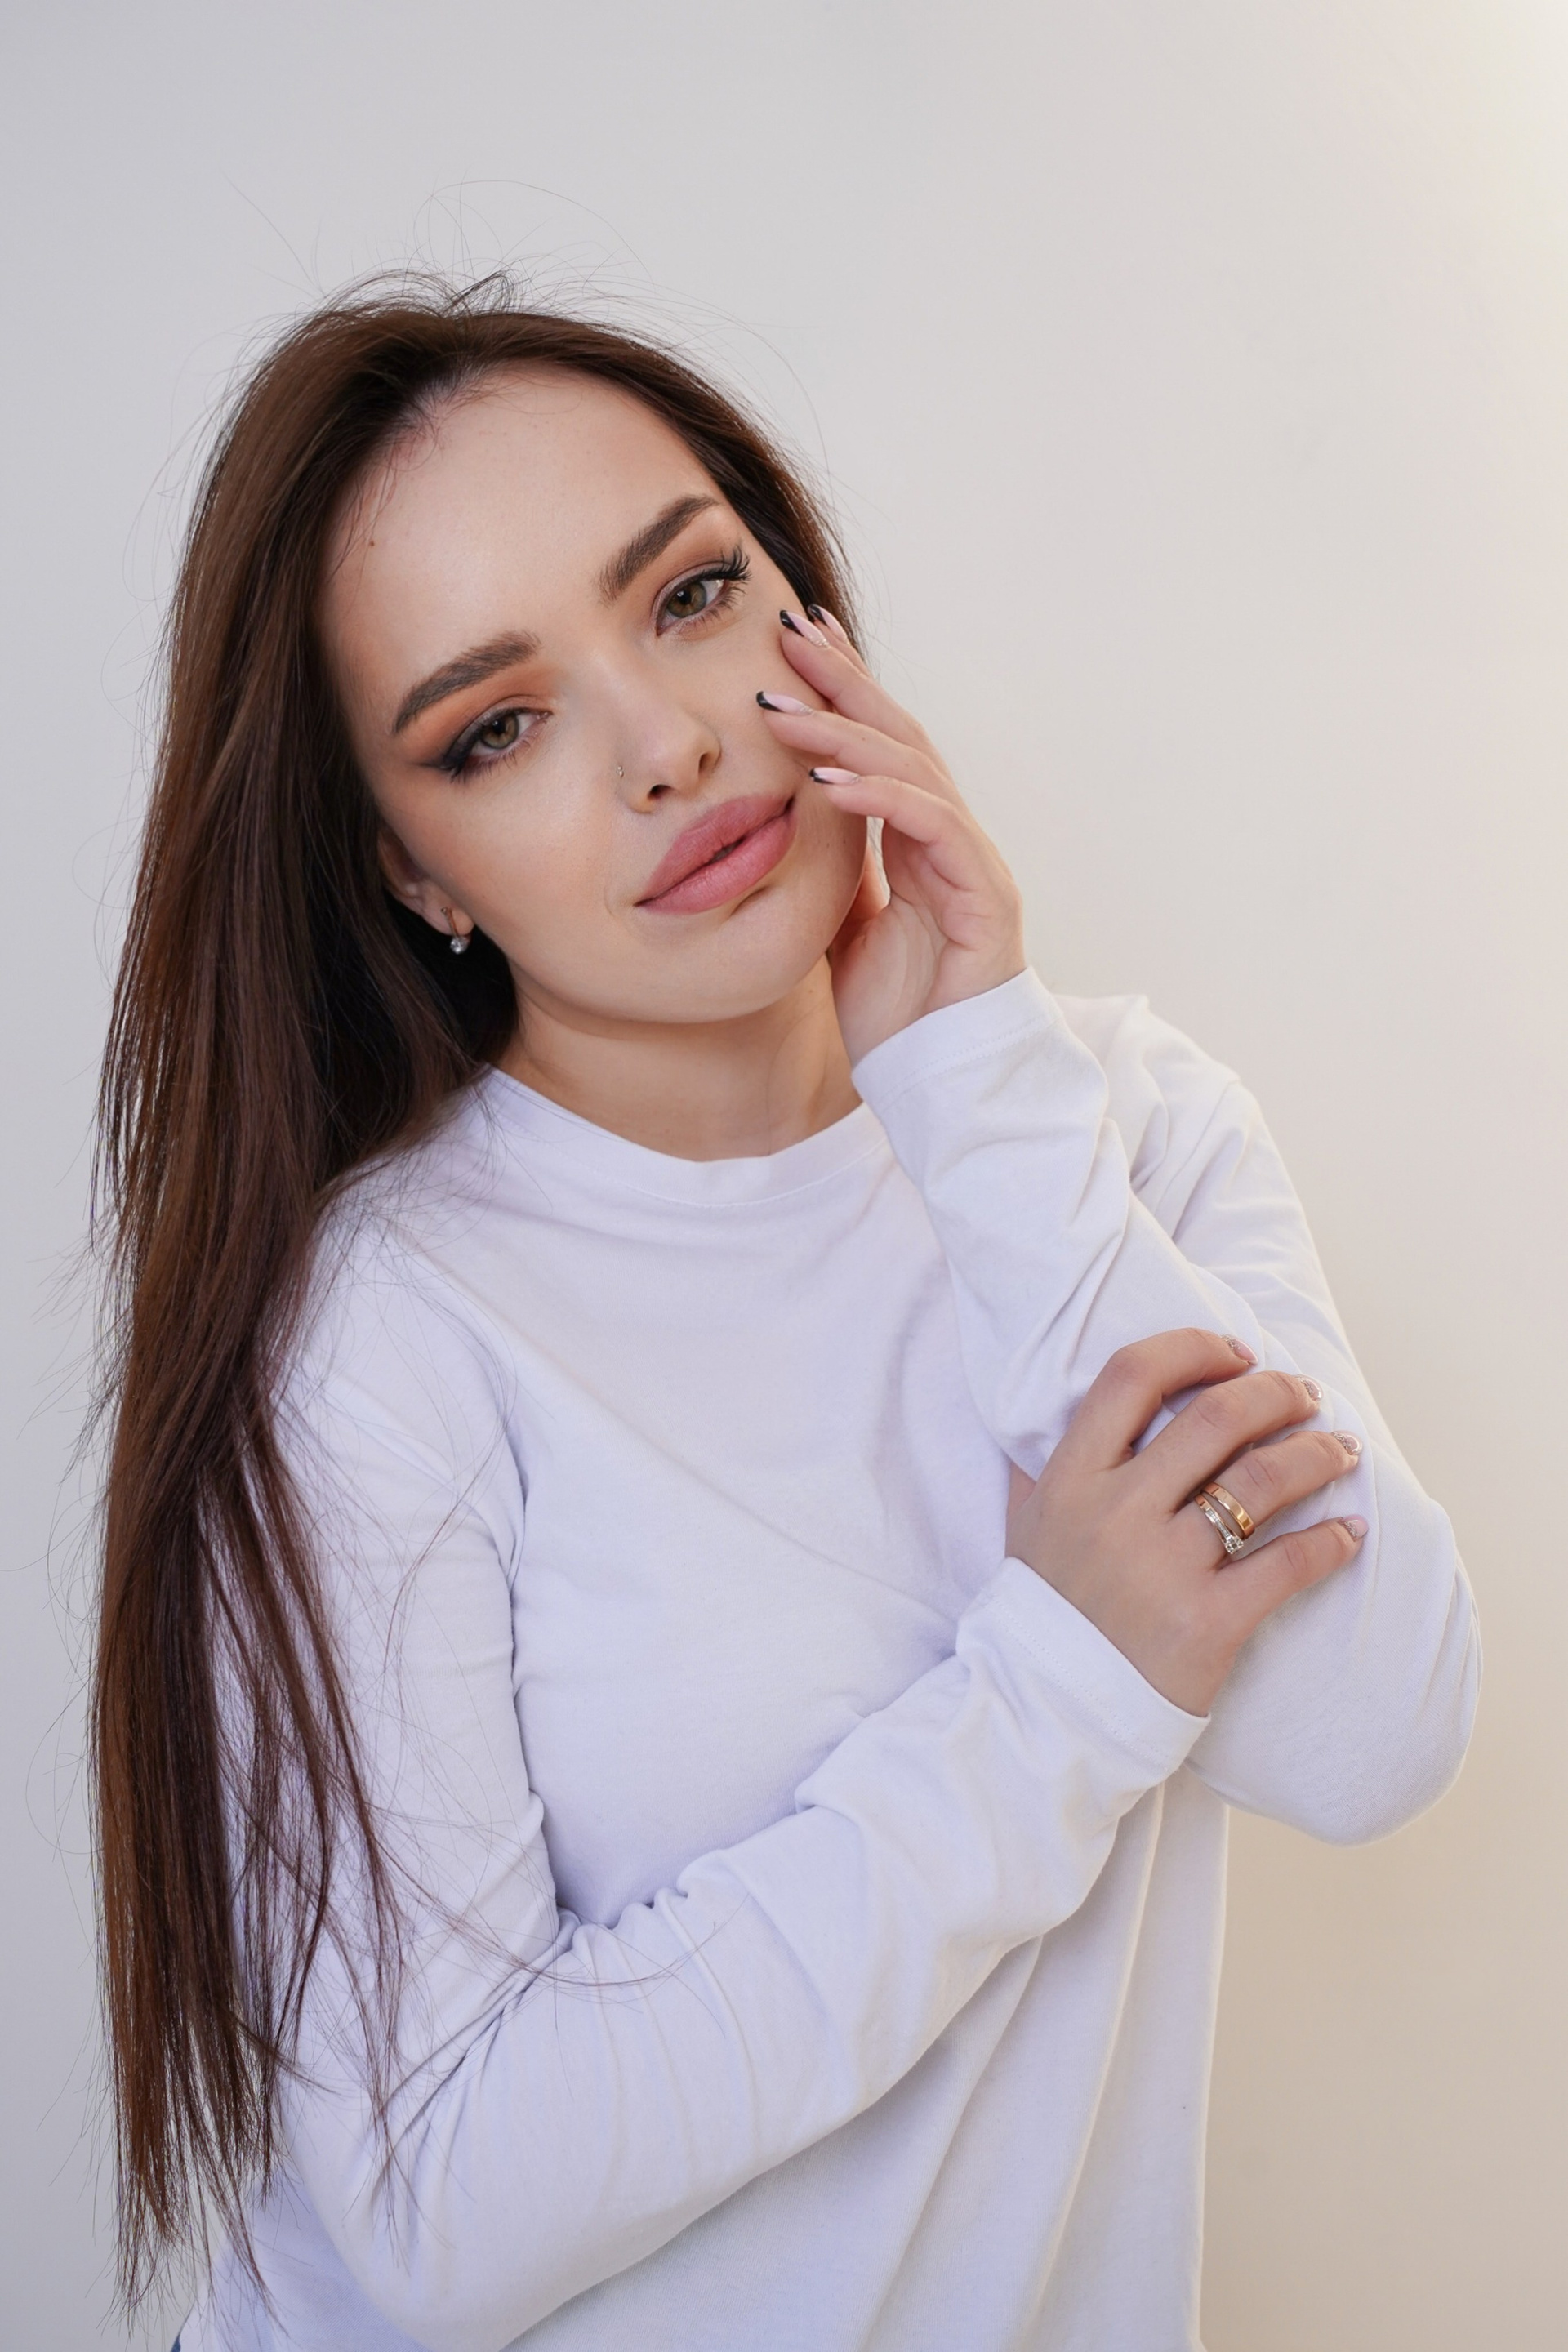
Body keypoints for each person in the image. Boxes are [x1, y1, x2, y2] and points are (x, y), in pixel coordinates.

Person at [93, 283, 1477, 2352]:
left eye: (691, 595)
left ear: (806, 609)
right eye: (497, 728)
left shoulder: (1113, 1128)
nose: (671, 745)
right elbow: (435, 2205)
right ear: (414, 876)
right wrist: (1065, 1687)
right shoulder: (388, 1328)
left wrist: (977, 1087)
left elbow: (1367, 1734)